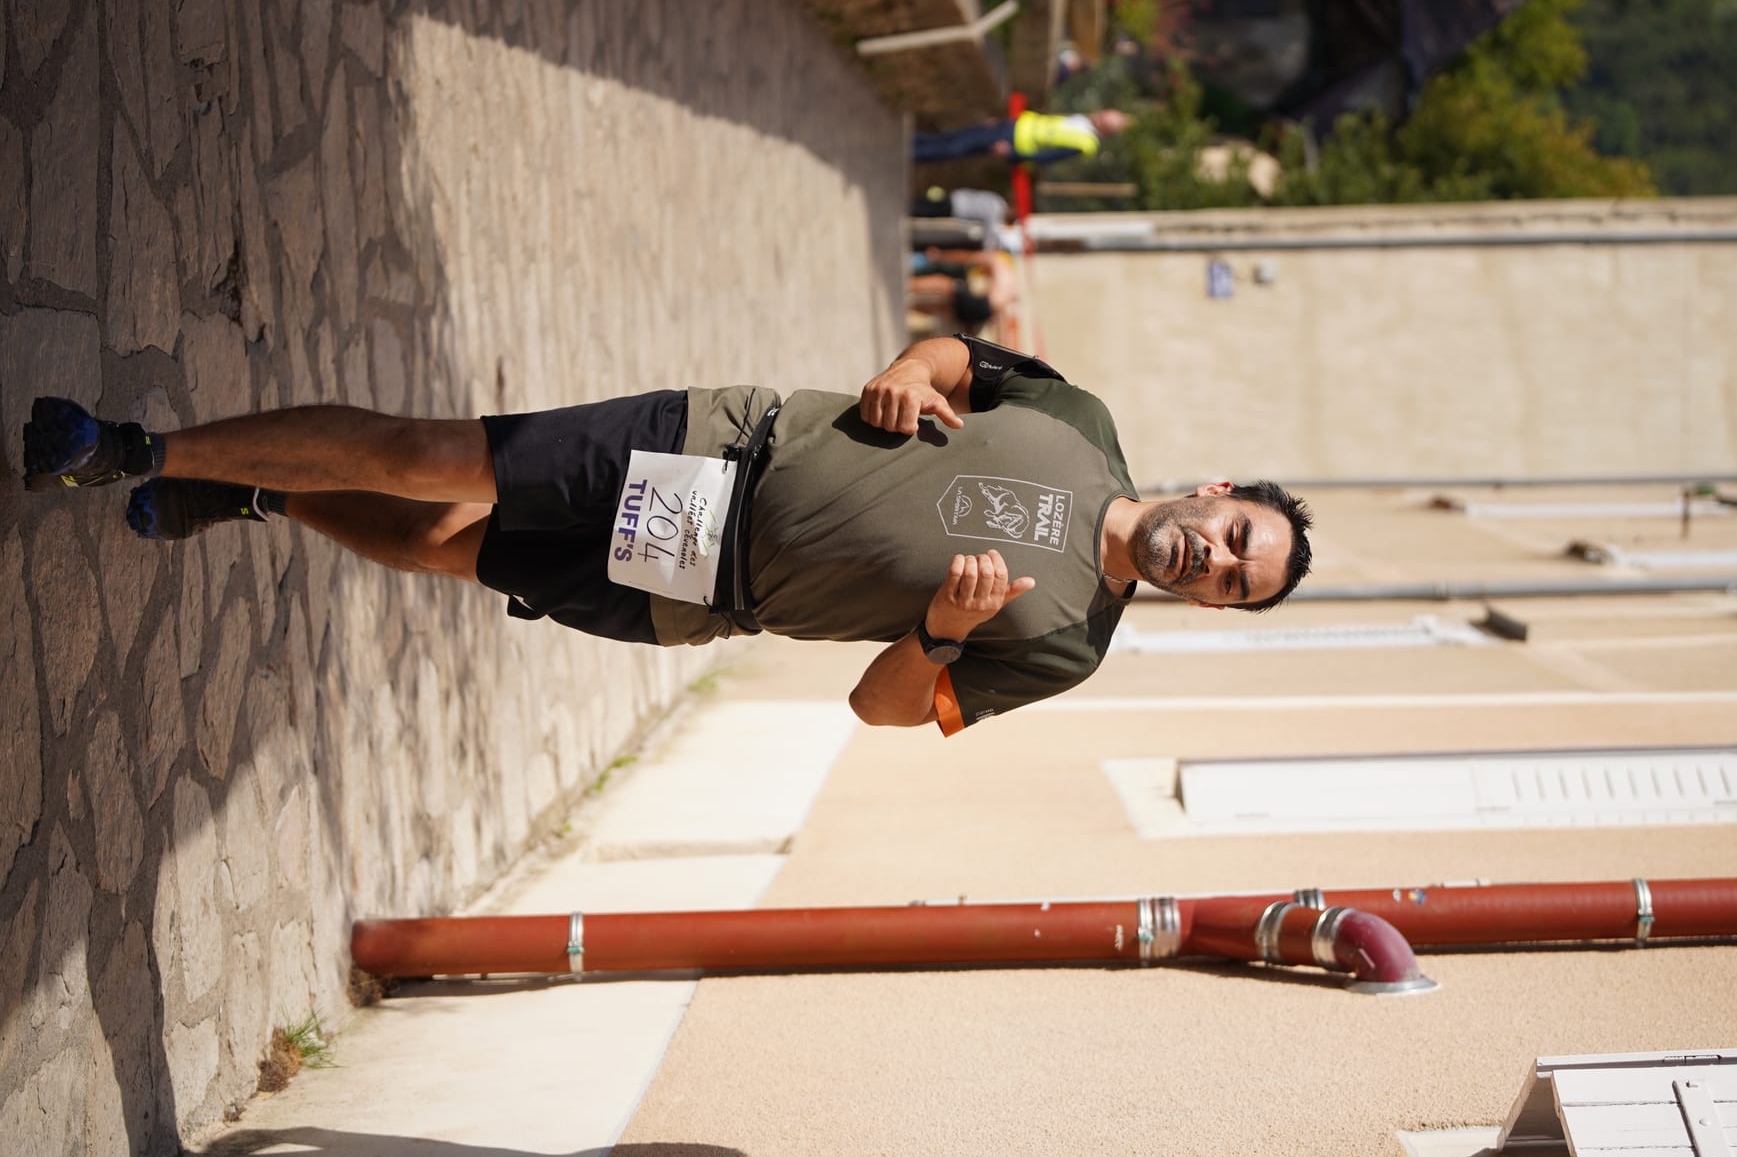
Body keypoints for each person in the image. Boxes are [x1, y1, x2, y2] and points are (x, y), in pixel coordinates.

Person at [21, 337, 1312, 734]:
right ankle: (137, 451)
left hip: (699, 581)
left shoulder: (1066, 650)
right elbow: (954, 350)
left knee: (434, 543)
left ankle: (262, 495)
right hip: (719, 447)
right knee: (431, 458)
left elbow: (880, 708)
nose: (1217, 561)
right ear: (1218, 488)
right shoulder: (1080, 421)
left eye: (1234, 586)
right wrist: (912, 376)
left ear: (1213, 610)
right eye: (1237, 535)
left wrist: (939, 633)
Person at [913, 109, 1131, 167]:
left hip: (1012, 141)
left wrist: (1012, 153)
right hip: (1012, 127)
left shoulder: (1085, 143)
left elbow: (1047, 156)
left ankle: (914, 152)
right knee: (958, 137)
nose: (1098, 115)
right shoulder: (1082, 121)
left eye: (1103, 118)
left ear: (1105, 129)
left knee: (958, 147)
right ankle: (912, 143)